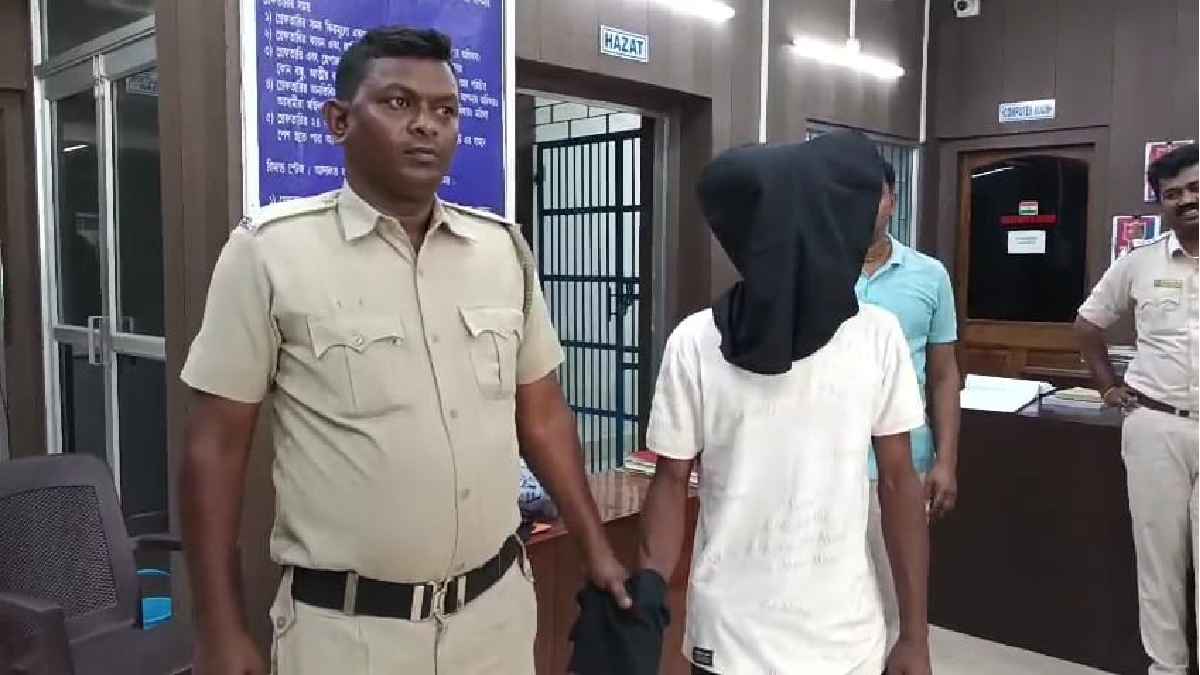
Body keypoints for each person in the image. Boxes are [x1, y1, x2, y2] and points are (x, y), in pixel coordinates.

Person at [179, 26, 630, 675]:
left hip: (495, 622)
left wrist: (594, 545)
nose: (426, 124)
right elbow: (215, 447)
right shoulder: (269, 255)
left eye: (445, 110)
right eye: (398, 103)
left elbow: (543, 415)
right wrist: (218, 626)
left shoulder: (501, 251)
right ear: (339, 120)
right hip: (351, 637)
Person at [637, 132, 932, 675]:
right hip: (728, 638)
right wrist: (648, 600)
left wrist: (915, 634)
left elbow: (899, 482)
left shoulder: (877, 337)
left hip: (843, 638)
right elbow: (670, 480)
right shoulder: (695, 342)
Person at [1075, 142, 1198, 675]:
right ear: (1160, 204)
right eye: (1174, 194)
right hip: (1156, 425)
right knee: (1159, 561)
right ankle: (1166, 669)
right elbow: (1087, 325)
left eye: (1195, 188)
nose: (1186, 200)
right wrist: (1108, 387)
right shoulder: (1140, 262)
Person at [857, 160, 961, 652]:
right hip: (828, 462)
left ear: (892, 201)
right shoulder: (817, 273)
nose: (863, 205)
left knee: (899, 602)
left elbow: (943, 375)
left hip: (904, 464)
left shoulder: (929, 274)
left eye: (874, 193)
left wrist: (946, 460)